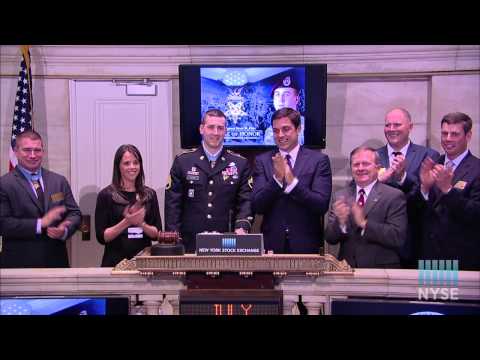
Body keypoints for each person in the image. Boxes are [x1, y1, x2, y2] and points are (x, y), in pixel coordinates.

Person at [164, 109, 253, 253]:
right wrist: (174, 238)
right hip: (190, 243)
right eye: (211, 127)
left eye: (220, 128)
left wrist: (242, 226)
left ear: (226, 131)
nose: (215, 132)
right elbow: (172, 205)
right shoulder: (183, 162)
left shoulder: (240, 164)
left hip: (227, 241)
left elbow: (245, 201)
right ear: (201, 129)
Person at [252, 107, 332, 253]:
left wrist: (292, 182)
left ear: (298, 129)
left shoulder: (319, 160)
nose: (280, 135)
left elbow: (321, 205)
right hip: (272, 244)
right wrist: (276, 179)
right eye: (276, 131)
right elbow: (258, 206)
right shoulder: (262, 161)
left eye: (286, 129)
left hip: (306, 244)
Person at [0, 130, 81, 268]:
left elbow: (74, 213)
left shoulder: (58, 181)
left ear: (43, 151)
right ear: (16, 151)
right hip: (19, 266)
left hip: (56, 263)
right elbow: (3, 224)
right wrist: (40, 224)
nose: (33, 155)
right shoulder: (4, 184)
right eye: (27, 150)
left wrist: (64, 229)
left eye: (37, 150)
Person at [413, 112, 480, 270]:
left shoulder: (477, 169)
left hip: (461, 259)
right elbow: (413, 211)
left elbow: (476, 213)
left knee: (454, 296)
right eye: (444, 133)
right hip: (428, 257)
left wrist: (448, 190)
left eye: (454, 134)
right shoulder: (431, 163)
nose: (448, 139)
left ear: (468, 136)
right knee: (430, 295)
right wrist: (424, 188)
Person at [376, 107, 440, 268]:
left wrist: (402, 177)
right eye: (388, 125)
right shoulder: (373, 156)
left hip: (414, 242)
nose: (391, 129)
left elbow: (427, 194)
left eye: (397, 125)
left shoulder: (428, 155)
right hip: (377, 242)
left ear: (410, 127)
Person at [325, 146, 407, 268]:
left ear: (378, 168)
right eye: (356, 164)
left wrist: (364, 224)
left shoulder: (394, 196)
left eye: (366, 164)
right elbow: (330, 238)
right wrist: (340, 222)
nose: (360, 168)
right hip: (346, 270)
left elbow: (397, 237)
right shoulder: (340, 196)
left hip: (381, 271)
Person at [95, 144, 162, 267]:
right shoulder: (106, 195)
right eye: (126, 163)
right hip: (114, 264)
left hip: (144, 265)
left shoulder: (150, 194)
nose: (132, 167)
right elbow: (102, 237)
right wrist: (127, 221)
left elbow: (157, 234)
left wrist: (141, 224)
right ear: (118, 167)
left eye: (136, 163)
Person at [263, 75, 305, 145]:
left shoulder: (305, 127)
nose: (281, 100)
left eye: (286, 95)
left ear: (297, 99)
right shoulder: (269, 131)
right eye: (277, 95)